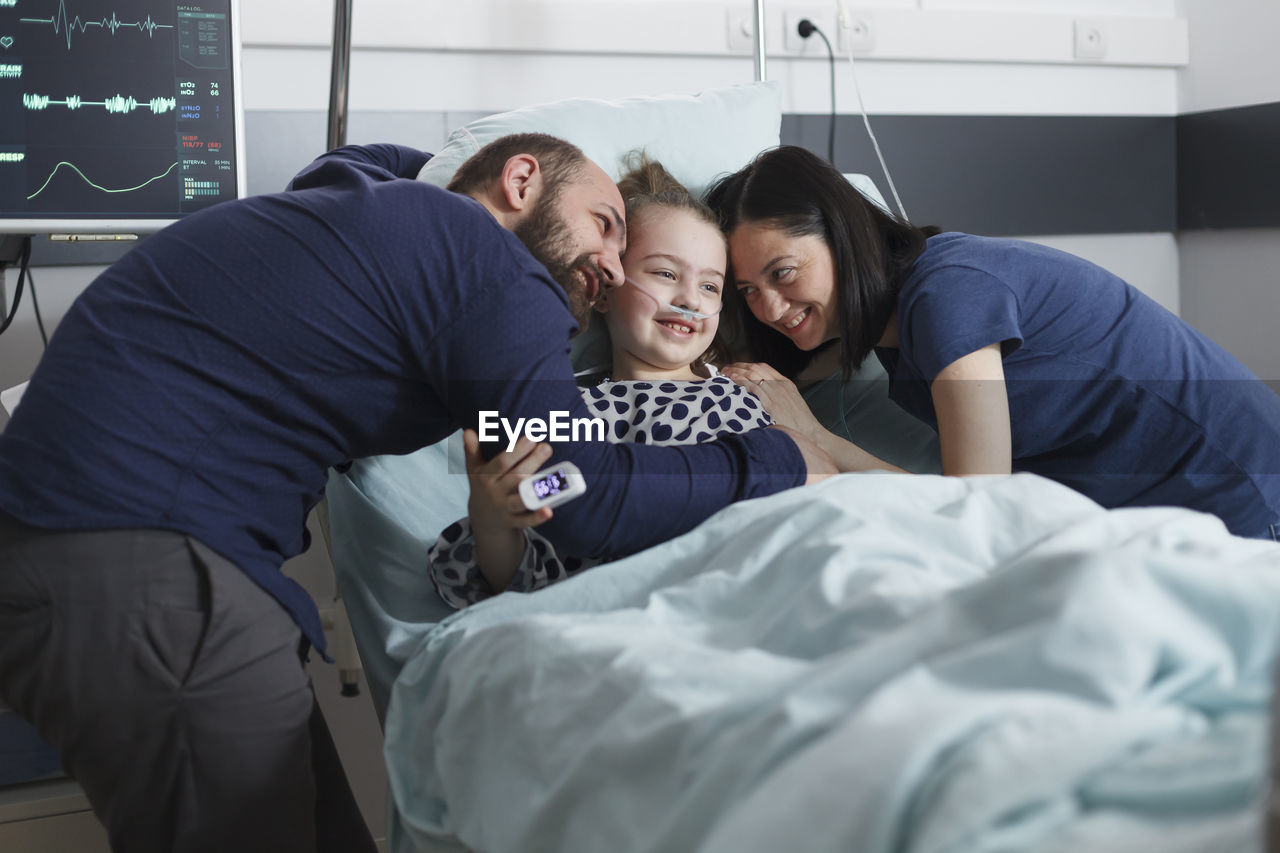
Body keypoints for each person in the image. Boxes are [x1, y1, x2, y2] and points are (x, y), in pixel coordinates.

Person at [0, 136, 835, 853]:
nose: (611, 265)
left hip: (108, 559)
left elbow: (346, 158)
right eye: (606, 225)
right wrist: (772, 458)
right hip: (146, 565)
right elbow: (575, 487)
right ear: (517, 183)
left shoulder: (373, 213)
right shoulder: (486, 263)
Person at [707, 144, 1280, 541]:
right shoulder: (891, 326)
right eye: (747, 290)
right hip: (1158, 514)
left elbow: (976, 503)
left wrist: (815, 436)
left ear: (844, 235)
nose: (770, 309)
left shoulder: (947, 297)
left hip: (1239, 495)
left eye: (783, 273)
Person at [432, 156, 877, 608]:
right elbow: (535, 558)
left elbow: (821, 498)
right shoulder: (572, 415)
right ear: (603, 288)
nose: (688, 298)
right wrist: (492, 521)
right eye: (665, 274)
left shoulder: (749, 395)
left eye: (710, 287)